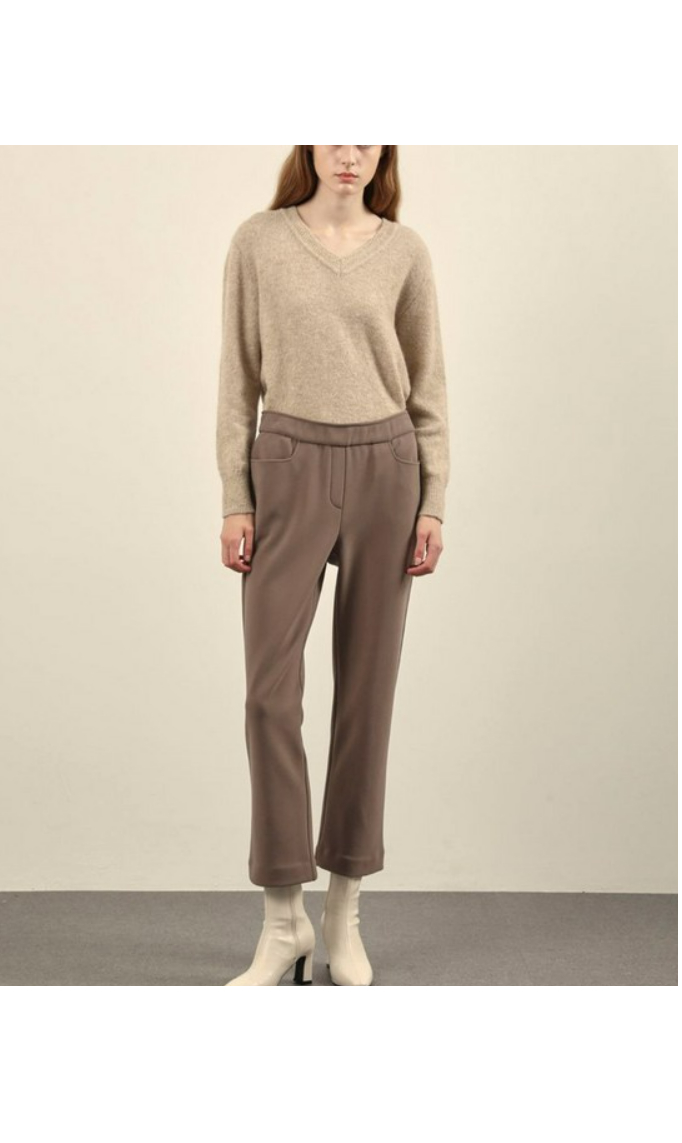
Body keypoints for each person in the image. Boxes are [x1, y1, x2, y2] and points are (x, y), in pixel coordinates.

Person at [216, 146, 450, 986]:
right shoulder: (259, 241)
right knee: (268, 696)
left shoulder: (405, 251)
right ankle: (284, 921)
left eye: (368, 140)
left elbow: (428, 385)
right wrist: (235, 497)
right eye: (334, 138)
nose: (350, 154)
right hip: (287, 463)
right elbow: (238, 379)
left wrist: (433, 499)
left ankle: (345, 914)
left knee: (366, 696)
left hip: (389, 467)